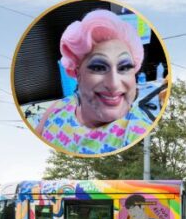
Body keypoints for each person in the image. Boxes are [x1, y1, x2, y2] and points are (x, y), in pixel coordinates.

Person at [34, 9, 154, 155]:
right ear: (77, 72)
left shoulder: (136, 132)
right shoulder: (58, 108)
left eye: (125, 67)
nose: (114, 84)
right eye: (98, 67)